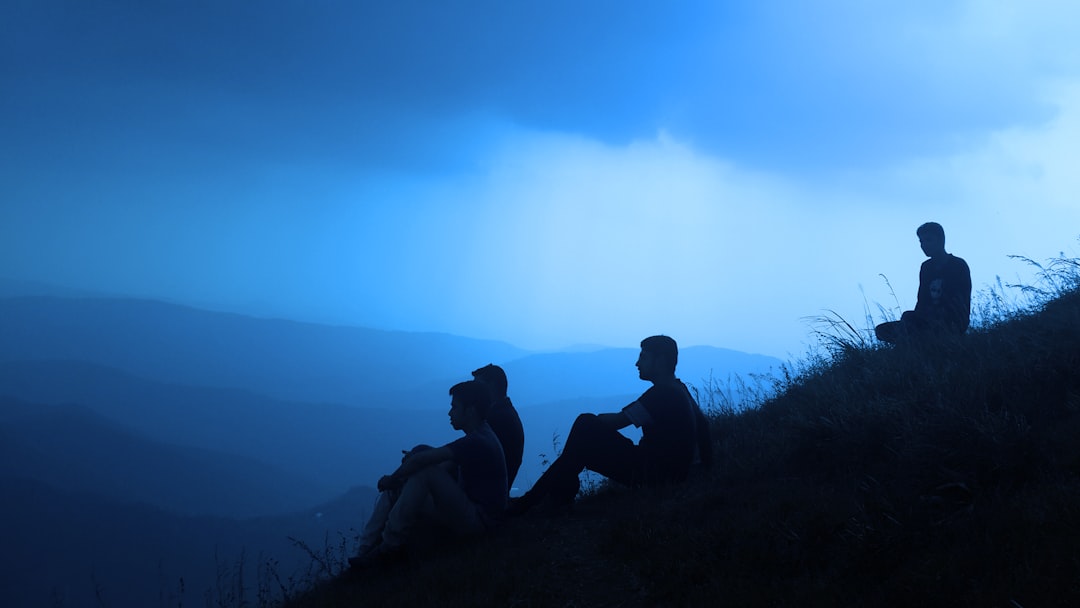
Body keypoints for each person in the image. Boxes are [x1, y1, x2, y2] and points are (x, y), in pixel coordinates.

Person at [507, 335, 712, 515]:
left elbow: (619, 421)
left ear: (661, 361)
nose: (637, 363)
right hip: (670, 473)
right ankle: (545, 500)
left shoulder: (661, 395)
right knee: (582, 439)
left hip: (654, 475)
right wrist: (702, 471)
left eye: (643, 357)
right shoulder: (679, 389)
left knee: (585, 424)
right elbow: (703, 429)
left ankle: (533, 502)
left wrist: (591, 422)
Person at [349, 380, 507, 568]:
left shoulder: (477, 441)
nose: (450, 413)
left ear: (471, 410)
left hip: (481, 522)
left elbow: (426, 462)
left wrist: (392, 478)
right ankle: (365, 551)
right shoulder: (481, 435)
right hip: (472, 512)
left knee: (423, 471)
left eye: (455, 407)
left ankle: (389, 547)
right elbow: (441, 463)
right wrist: (405, 474)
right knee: (407, 477)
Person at [875, 222, 972, 345]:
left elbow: (959, 301)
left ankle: (919, 345)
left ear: (941, 240)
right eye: (921, 241)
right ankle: (915, 343)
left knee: (910, 323)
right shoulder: (926, 267)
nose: (924, 245)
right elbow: (922, 299)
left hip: (952, 321)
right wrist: (915, 318)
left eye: (928, 240)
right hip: (927, 320)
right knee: (882, 330)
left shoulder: (957, 265)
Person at [471, 363, 525, 492]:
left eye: (476, 388)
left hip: (485, 495)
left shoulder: (496, 420)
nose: (472, 393)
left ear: (491, 387)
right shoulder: (505, 413)